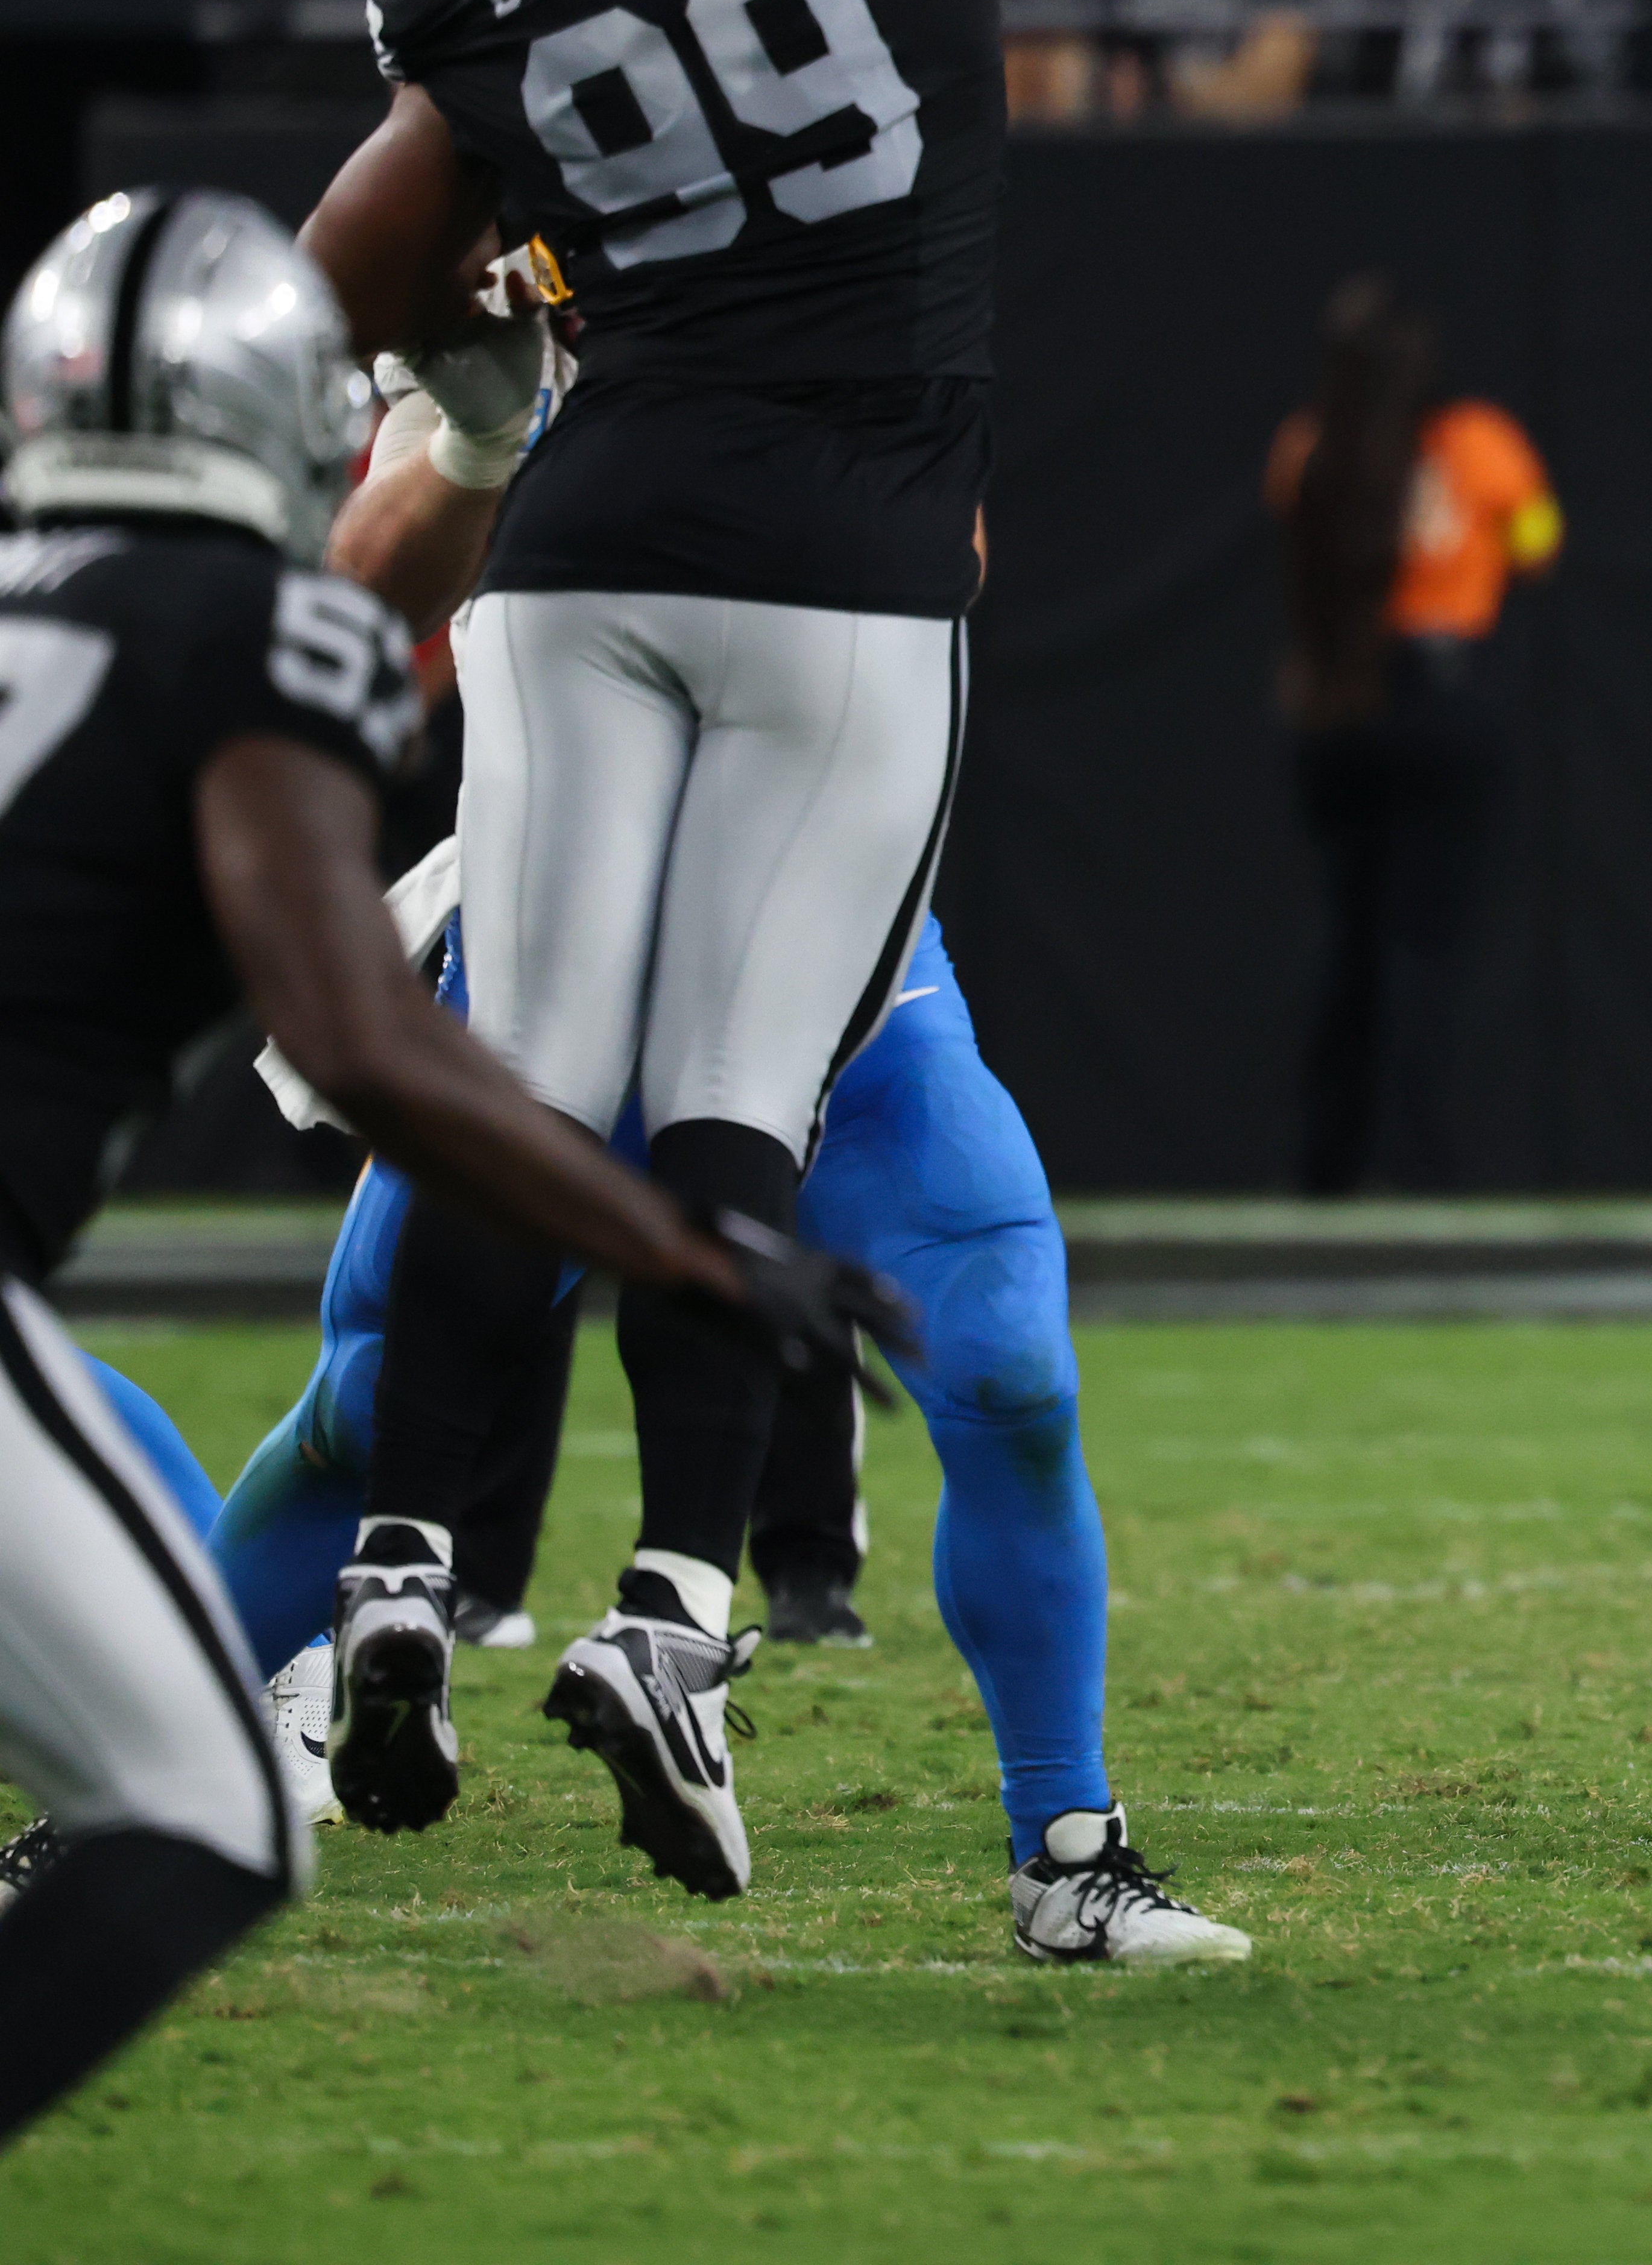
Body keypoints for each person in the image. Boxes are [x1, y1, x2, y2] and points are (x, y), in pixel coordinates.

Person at [288, 0, 1093, 1905]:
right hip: (854, 558)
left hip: (589, 542)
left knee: (524, 1090)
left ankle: (407, 1572)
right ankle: (659, 1599)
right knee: (736, 1118)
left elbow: (335, 288)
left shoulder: (483, 3)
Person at [0, 190, 878, 2149]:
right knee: (210, 1808)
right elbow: (372, 1045)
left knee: (152, 1449)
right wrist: (687, 1247)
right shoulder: (264, 628)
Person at [186, 396, 1247, 1965]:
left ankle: (1067, 1850)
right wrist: (507, 442)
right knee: (373, 1402)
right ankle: (148, 1773)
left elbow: (948, 553)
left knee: (1012, 1368)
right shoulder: (554, 261)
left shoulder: (864, 264)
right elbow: (367, 570)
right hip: (571, 976)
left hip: (845, 984)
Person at [1268, 280, 1559, 1199]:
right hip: (1443, 703)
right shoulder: (1478, 444)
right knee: (1424, 946)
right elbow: (1541, 542)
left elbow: (1291, 543)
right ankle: (1415, 1161)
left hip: (1340, 706)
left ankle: (1330, 1163)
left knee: (1350, 938)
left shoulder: (1308, 447)